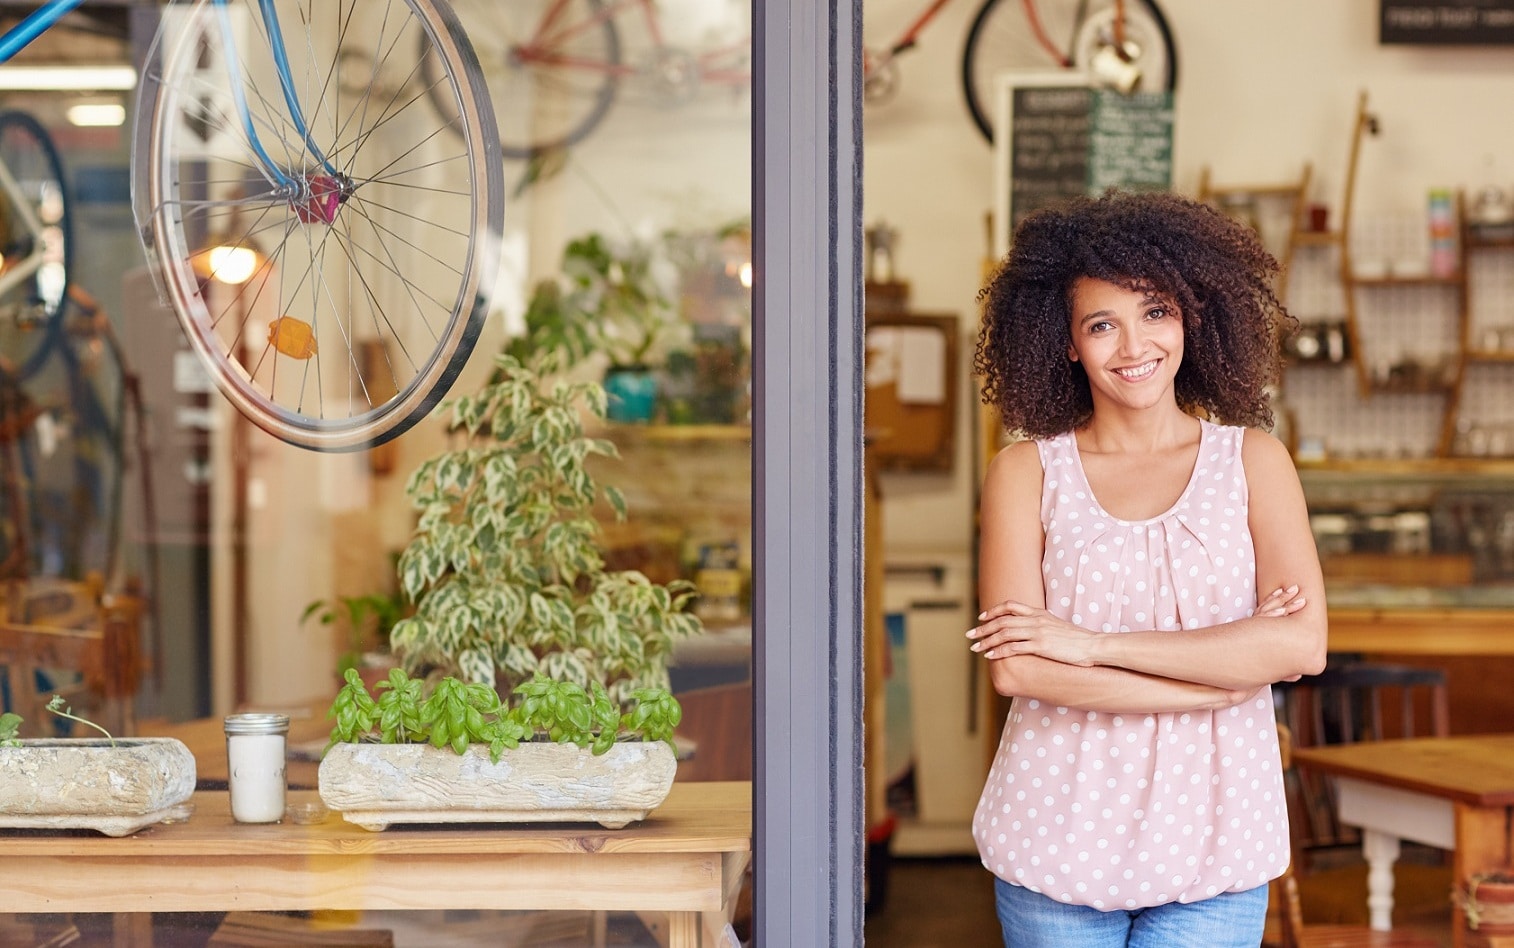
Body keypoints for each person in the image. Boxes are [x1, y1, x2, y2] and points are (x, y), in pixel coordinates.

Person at [966, 189, 1327, 948]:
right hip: (1054, 839)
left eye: (1155, 313)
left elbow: (1300, 646)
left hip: (1215, 843)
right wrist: (1218, 678)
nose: (1134, 347)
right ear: (1065, 342)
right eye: (1102, 324)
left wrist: (1091, 644)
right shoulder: (1024, 473)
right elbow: (1020, 671)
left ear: (1193, 317)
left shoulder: (1255, 462)